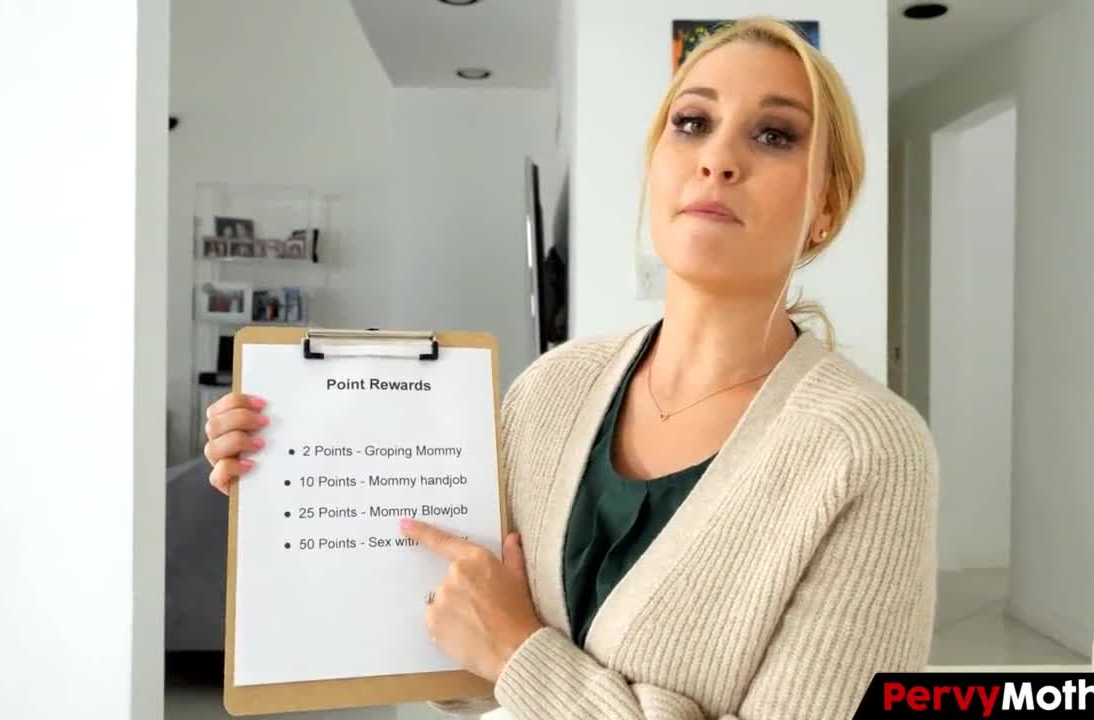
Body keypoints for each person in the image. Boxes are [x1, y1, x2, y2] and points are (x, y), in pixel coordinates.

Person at [202, 16, 937, 720]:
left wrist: (521, 654)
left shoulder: (869, 451)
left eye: (774, 135)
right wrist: (296, 481)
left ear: (827, 208)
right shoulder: (551, 388)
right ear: (655, 165)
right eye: (692, 123)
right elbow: (464, 657)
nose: (717, 158)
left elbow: (505, 650)